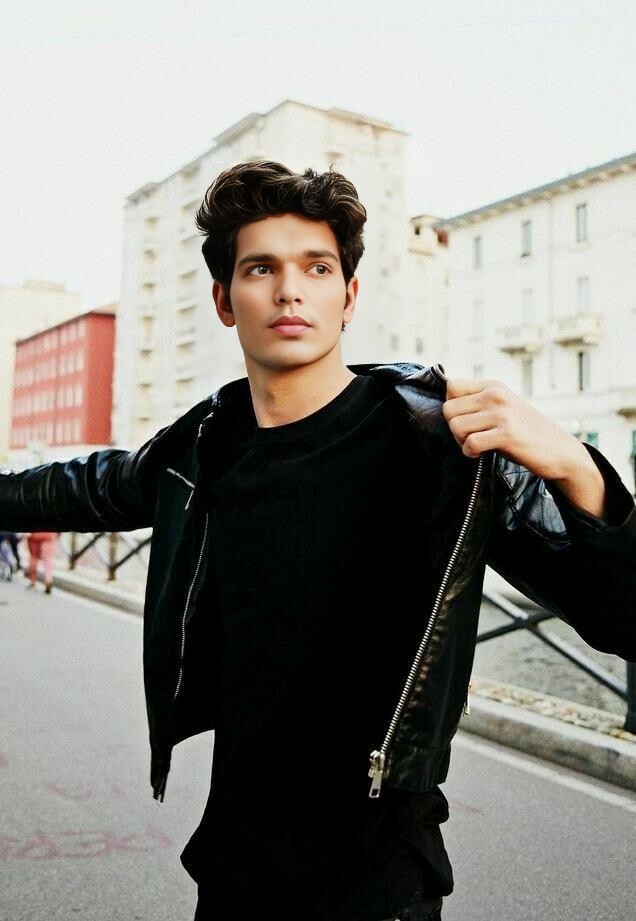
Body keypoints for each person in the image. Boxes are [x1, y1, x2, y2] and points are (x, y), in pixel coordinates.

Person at [0, 161, 635, 921]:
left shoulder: (442, 447)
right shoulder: (203, 447)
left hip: (378, 881)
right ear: (225, 300)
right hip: (231, 871)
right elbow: (88, 484)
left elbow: (622, 617)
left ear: (349, 296)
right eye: (260, 268)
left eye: (317, 267)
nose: (289, 290)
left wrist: (576, 467)